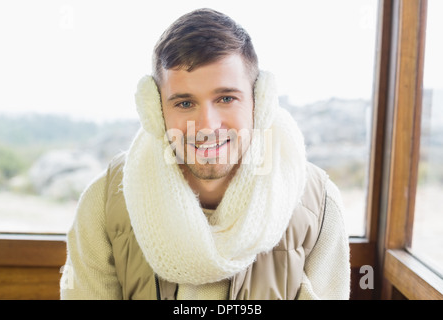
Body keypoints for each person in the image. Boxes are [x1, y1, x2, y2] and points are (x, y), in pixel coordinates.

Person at [60, 8, 350, 300]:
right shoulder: (105, 201)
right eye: (185, 103)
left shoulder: (319, 204)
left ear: (259, 102)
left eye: (226, 98)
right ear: (154, 111)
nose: (207, 126)